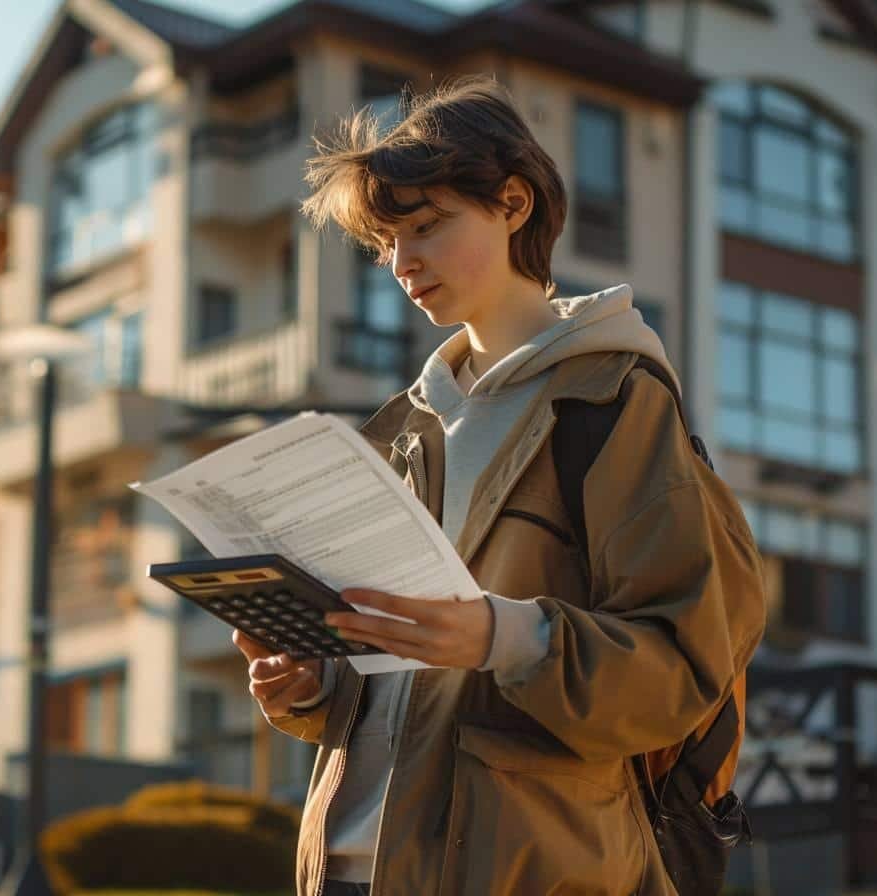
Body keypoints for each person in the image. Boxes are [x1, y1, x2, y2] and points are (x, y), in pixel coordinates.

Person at [233, 75, 765, 896]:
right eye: (386, 243)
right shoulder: (402, 430)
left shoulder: (612, 400)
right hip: (346, 866)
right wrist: (313, 681)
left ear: (513, 203)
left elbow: (677, 670)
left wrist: (499, 637)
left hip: (520, 868)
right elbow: (393, 675)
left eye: (426, 226)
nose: (403, 262)